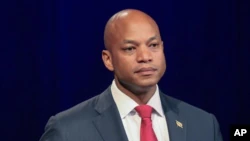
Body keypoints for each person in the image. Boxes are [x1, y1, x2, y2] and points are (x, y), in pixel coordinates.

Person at [39, 9, 223, 141]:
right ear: (108, 59)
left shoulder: (204, 125)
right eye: (130, 48)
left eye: (153, 45)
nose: (145, 57)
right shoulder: (67, 130)